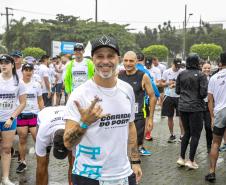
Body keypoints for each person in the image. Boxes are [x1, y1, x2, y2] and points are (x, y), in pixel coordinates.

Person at [64, 35, 142, 185]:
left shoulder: (127, 90)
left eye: (110, 56)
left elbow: (130, 126)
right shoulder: (79, 95)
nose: (105, 61)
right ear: (92, 59)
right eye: (100, 56)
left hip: (124, 175)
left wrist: (136, 161)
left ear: (118, 58)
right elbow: (68, 143)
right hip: (89, 176)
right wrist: (84, 123)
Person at [118, 51, 156, 155]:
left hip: (138, 114)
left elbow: (152, 96)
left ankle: (137, 157)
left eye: (131, 61)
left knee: (136, 141)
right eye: (126, 60)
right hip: (122, 114)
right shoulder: (118, 75)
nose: (128, 63)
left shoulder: (143, 76)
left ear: (136, 62)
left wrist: (151, 118)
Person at [176, 53, 208, 169]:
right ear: (197, 62)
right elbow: (203, 93)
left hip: (183, 106)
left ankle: (181, 158)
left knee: (186, 133)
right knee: (195, 134)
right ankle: (191, 160)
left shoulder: (181, 74)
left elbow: (177, 91)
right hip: (196, 108)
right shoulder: (201, 75)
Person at [0, 54, 26, 185]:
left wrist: (11, 118)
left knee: (6, 149)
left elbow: (22, 103)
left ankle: (5, 178)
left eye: (6, 62)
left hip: (9, 120)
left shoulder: (18, 82)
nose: (3, 64)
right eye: (1, 62)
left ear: (12, 65)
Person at [16, 63, 44, 173]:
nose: (28, 72)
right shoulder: (17, 84)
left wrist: (43, 113)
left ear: (33, 72)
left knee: (37, 139)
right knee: (22, 138)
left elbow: (40, 100)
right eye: (26, 70)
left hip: (34, 116)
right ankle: (23, 162)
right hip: (22, 115)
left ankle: (41, 161)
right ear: (22, 71)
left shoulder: (36, 84)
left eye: (30, 70)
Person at [205, 52, 226, 182]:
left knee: (216, 143)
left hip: (219, 112)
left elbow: (210, 100)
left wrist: (212, 117)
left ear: (219, 63)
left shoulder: (213, 78)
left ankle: (212, 172)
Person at [36, 106, 69, 185]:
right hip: (46, 114)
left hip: (65, 114)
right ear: (52, 143)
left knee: (74, 163)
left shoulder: (73, 130)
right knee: (43, 164)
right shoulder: (43, 134)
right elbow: (41, 167)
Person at [136, 53, 160, 141]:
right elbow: (153, 88)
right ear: (144, 60)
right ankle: (140, 146)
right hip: (142, 102)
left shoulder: (126, 70)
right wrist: (157, 95)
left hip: (129, 102)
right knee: (144, 124)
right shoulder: (145, 72)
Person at [161, 58, 184, 143]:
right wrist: (168, 83)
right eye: (176, 66)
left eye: (179, 66)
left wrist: (177, 85)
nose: (178, 68)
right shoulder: (166, 72)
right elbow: (161, 84)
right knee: (170, 117)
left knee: (181, 117)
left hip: (179, 96)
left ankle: (182, 136)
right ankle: (172, 135)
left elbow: (185, 84)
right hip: (169, 96)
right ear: (172, 64)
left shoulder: (182, 72)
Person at [201, 61, 213, 153]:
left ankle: (209, 146)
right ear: (201, 68)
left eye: (208, 68)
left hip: (209, 105)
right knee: (196, 127)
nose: (207, 69)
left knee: (208, 127)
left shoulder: (213, 78)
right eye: (205, 68)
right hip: (199, 105)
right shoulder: (198, 78)